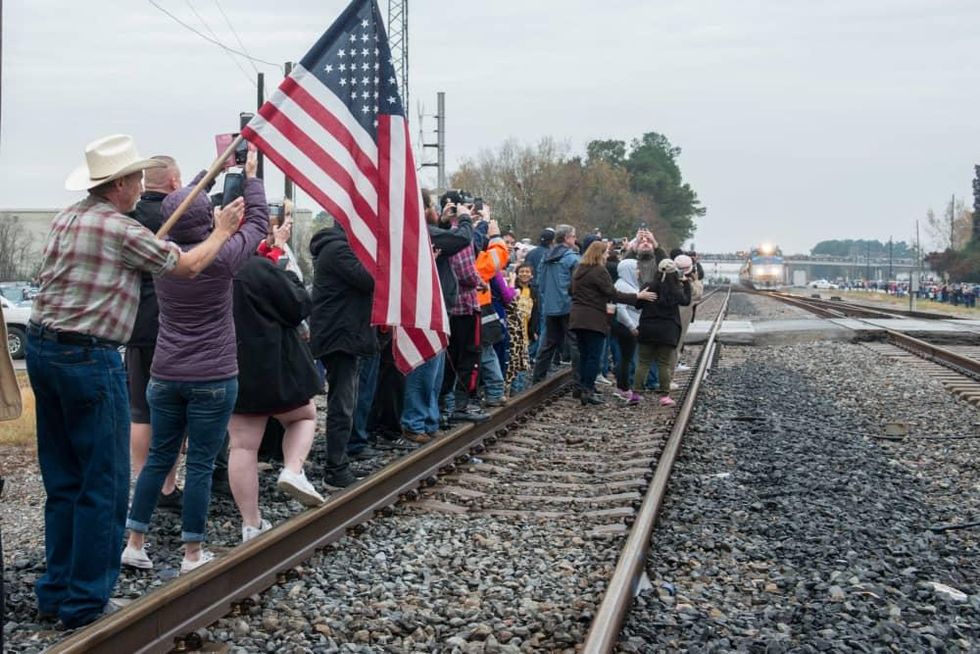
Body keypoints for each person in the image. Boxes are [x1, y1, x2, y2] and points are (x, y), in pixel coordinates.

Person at [29, 134, 244, 627]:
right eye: (135, 178)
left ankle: (55, 591)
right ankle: (86, 603)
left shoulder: (69, 216)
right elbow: (188, 265)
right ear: (122, 184)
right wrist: (222, 230)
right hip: (88, 357)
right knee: (102, 483)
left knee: (63, 481)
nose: (139, 184)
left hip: (44, 351)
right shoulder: (120, 230)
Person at [123, 149, 267, 575]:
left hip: (165, 372)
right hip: (214, 374)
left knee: (158, 459)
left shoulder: (159, 253)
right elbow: (257, 223)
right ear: (209, 220)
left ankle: (135, 542)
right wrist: (251, 178)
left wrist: (215, 171)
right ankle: (191, 554)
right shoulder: (223, 257)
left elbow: (185, 206)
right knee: (200, 463)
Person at [227, 252, 324, 543]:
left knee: (242, 446)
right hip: (274, 361)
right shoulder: (254, 266)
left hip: (228, 364)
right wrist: (287, 270)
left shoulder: (203, 263)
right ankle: (293, 470)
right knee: (304, 416)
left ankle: (251, 524)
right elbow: (297, 306)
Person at [127, 156, 184, 509]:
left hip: (135, 329)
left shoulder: (128, 220)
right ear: (174, 182)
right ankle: (167, 485)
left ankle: (142, 481)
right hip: (172, 328)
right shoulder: (177, 216)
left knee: (140, 411)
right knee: (174, 409)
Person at [401, 190, 472, 443]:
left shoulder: (425, 230)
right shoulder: (417, 230)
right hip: (425, 307)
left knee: (435, 371)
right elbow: (460, 240)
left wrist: (444, 221)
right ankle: (415, 422)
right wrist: (464, 219)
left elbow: (444, 238)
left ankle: (428, 421)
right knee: (425, 366)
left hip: (438, 307)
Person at [309, 222, 377, 488]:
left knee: (345, 401)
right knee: (342, 404)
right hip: (340, 338)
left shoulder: (338, 248)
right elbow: (369, 279)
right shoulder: (338, 249)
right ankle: (335, 468)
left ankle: (339, 462)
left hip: (345, 335)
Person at [569, 241, 654, 405]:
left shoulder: (579, 270)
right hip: (593, 319)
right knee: (594, 356)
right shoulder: (599, 271)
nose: (608, 255)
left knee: (584, 354)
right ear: (599, 254)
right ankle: (588, 389)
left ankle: (580, 387)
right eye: (606, 253)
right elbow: (613, 294)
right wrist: (637, 297)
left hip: (577, 318)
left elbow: (570, 290)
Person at [634, 258, 691, 407]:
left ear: (658, 271)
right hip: (668, 330)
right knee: (664, 364)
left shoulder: (648, 286)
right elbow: (686, 301)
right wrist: (685, 283)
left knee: (643, 362)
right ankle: (664, 396)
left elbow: (638, 305)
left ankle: (636, 393)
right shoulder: (675, 289)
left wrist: (641, 296)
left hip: (648, 328)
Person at [531, 224, 580, 384]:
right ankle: (580, 382)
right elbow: (577, 284)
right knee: (575, 344)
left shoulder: (546, 257)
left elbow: (539, 281)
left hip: (549, 307)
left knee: (548, 344)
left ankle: (537, 380)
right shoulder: (572, 258)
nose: (575, 239)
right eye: (573, 236)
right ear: (566, 238)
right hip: (568, 307)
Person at [611, 258, 643, 405]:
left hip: (630, 325)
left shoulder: (628, 284)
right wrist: (631, 326)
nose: (638, 271)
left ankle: (623, 385)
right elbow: (621, 309)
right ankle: (623, 387)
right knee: (626, 358)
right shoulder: (622, 285)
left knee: (626, 357)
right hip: (626, 327)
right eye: (636, 268)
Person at [506, 263, 538, 394]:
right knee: (515, 360)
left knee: (524, 361)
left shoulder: (534, 291)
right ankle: (515, 389)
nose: (524, 274)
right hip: (514, 330)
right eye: (522, 271)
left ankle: (519, 390)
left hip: (527, 330)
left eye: (527, 272)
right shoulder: (513, 288)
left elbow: (536, 311)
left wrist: (535, 330)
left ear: (531, 275)